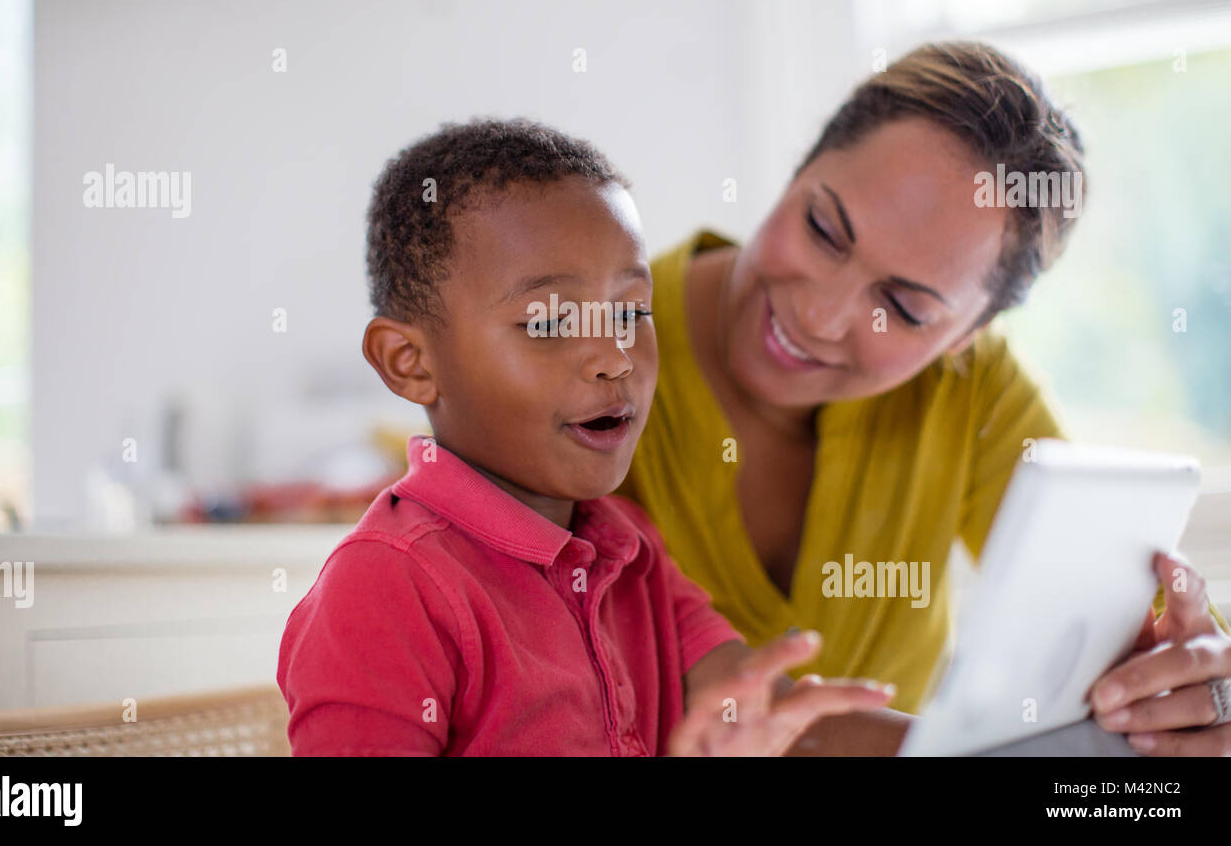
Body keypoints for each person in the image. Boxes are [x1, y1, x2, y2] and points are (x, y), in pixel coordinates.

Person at [615, 41, 1231, 755]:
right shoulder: (590, 361)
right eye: (824, 229)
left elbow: (1142, 635)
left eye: (905, 308)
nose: (820, 316)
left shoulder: (971, 395)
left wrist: (1192, 697)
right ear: (801, 167)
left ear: (969, 335)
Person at [276, 117, 894, 755]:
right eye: (549, 321)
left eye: (630, 312)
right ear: (411, 362)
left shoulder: (631, 551)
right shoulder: (386, 587)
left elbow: (764, 716)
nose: (614, 356)